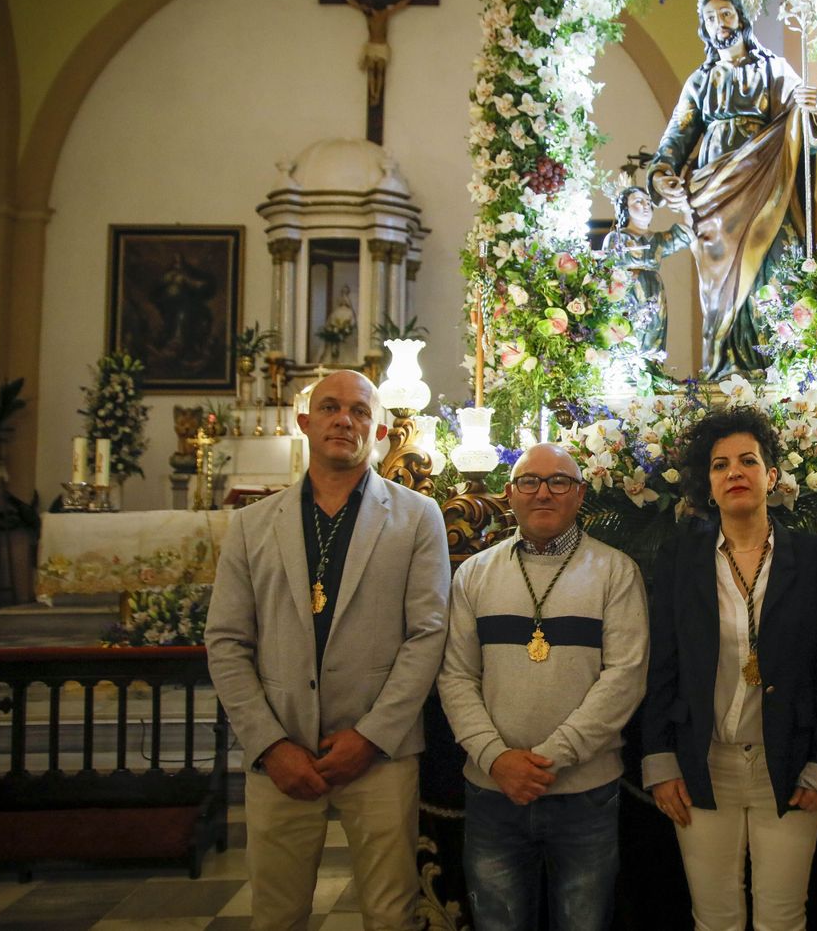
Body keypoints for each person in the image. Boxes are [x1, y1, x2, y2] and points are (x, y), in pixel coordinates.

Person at [206, 369, 450, 931]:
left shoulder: (417, 517)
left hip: (380, 753)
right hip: (282, 751)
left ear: (380, 429)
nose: (345, 419)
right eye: (331, 408)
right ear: (305, 422)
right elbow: (226, 641)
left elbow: (428, 633)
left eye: (360, 411)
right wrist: (269, 744)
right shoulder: (251, 524)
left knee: (391, 915)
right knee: (276, 915)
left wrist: (372, 736)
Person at [642, 406, 817, 931]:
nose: (734, 472)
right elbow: (659, 664)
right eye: (720, 465)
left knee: (783, 917)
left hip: (790, 764)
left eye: (748, 461)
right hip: (702, 763)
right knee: (714, 918)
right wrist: (660, 759)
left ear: (772, 476)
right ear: (708, 484)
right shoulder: (679, 560)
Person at [438, 443, 649, 931]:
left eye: (559, 482)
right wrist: (496, 758)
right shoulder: (474, 574)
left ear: (579, 495)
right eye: (530, 482)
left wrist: (550, 760)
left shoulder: (615, 572)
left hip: (585, 794)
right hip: (494, 791)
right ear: (510, 494)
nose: (543, 493)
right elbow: (455, 675)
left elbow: (625, 676)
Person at [648, 0, 817, 379]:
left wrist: (810, 111)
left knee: (772, 270)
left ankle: (774, 368)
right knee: (719, 297)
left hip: (767, 186)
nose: (718, 25)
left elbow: (803, 131)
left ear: (743, 16)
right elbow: (675, 137)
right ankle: (724, 373)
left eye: (725, 14)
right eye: (710, 18)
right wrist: (662, 175)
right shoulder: (700, 80)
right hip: (714, 195)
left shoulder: (774, 69)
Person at [600, 185, 694, 359]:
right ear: (625, 208)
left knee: (653, 336)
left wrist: (685, 206)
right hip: (626, 294)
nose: (645, 206)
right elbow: (606, 271)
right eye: (638, 201)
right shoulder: (617, 237)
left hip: (654, 295)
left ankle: (651, 372)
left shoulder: (657, 240)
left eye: (648, 202)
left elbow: (685, 232)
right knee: (627, 336)